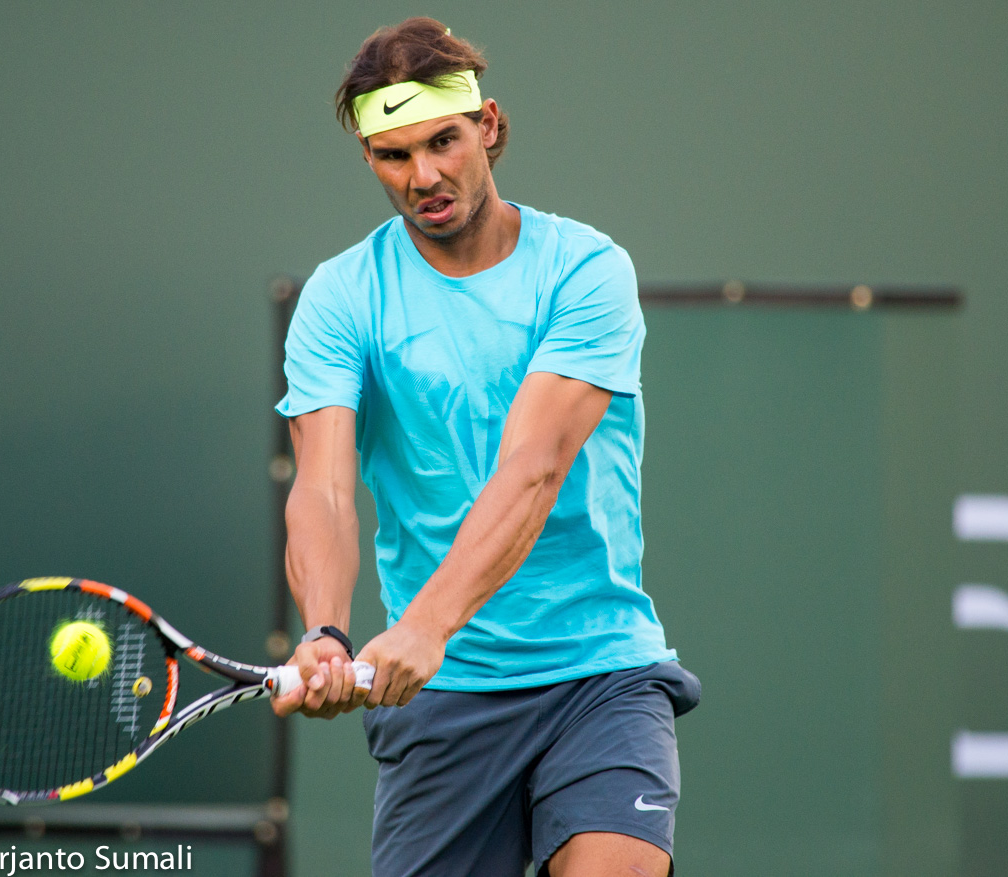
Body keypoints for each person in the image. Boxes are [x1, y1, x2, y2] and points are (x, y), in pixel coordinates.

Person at [271, 17, 699, 877]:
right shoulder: (340, 298)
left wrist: (425, 624)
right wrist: (325, 628)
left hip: (601, 677)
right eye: (393, 155)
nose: (423, 175)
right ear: (368, 160)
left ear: (489, 127)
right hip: (442, 702)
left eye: (443, 142)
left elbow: (535, 468)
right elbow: (323, 489)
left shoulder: (585, 271)